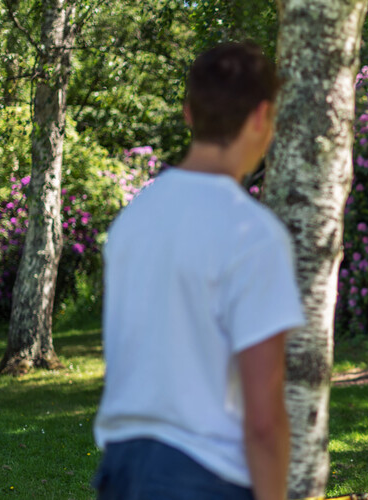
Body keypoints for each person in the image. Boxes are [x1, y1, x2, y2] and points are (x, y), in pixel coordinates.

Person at [92, 42, 305, 500]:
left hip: (120, 469)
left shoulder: (134, 218)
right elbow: (264, 420)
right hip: (203, 476)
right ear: (261, 117)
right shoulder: (252, 232)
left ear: (189, 113)